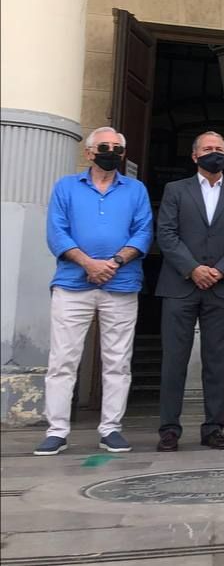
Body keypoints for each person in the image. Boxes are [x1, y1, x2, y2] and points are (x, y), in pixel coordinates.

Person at [34, 127, 153, 456]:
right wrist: (88, 263)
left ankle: (111, 428)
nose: (111, 152)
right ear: (88, 152)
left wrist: (113, 262)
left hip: (122, 284)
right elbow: (56, 232)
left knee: (118, 361)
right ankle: (56, 430)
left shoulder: (136, 190)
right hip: (73, 284)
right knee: (62, 360)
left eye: (117, 147)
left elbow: (144, 232)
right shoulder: (66, 187)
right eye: (104, 146)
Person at [155, 131, 224, 451]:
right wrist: (192, 268)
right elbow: (166, 234)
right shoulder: (175, 190)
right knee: (174, 361)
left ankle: (213, 427)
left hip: (220, 288)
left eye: (221, 149)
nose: (215, 154)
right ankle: (169, 428)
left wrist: (221, 270)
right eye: (209, 149)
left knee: (217, 361)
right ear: (195, 156)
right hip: (179, 286)